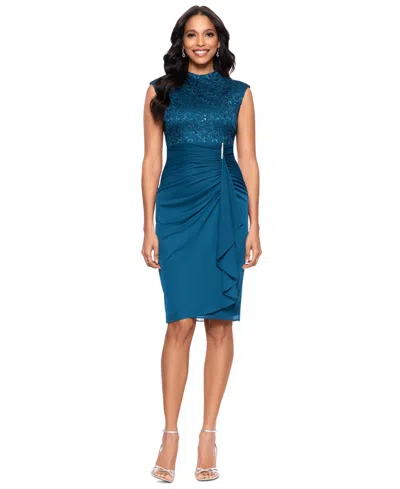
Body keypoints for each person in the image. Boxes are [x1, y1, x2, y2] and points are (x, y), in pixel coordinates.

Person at [141, 5, 261, 482]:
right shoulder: (160, 91)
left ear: (219, 40)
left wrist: (255, 225)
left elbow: (249, 160)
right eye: (191, 35)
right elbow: (151, 161)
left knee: (219, 324)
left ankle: (208, 434)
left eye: (208, 34)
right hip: (176, 204)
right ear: (181, 41)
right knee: (180, 323)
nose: (200, 43)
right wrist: (147, 225)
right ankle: (170, 434)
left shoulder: (239, 93)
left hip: (224, 200)